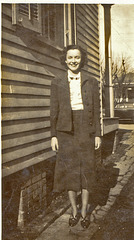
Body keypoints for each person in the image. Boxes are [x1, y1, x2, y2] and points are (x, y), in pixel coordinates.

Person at [50, 45, 101, 229]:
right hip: (65, 130)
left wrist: (97, 134)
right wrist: (54, 135)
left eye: (77, 57)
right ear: (65, 59)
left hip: (85, 129)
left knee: (87, 170)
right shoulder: (56, 82)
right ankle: (74, 211)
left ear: (82, 60)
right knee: (70, 171)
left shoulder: (92, 81)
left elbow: (96, 110)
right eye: (70, 57)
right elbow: (53, 111)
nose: (73, 61)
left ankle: (85, 213)